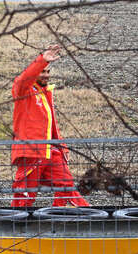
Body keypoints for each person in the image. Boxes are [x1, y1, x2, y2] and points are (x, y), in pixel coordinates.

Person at [11, 43, 89, 208]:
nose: (46, 75)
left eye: (48, 72)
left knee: (67, 187)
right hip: (31, 153)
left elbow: (52, 126)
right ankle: (15, 225)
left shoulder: (45, 94)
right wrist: (42, 60)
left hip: (51, 151)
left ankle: (78, 216)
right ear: (34, 73)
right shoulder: (24, 92)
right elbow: (22, 80)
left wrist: (62, 147)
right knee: (25, 194)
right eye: (42, 72)